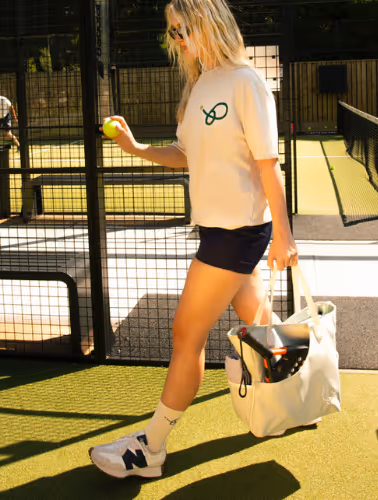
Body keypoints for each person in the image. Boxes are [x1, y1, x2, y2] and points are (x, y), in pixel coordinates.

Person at [89, 0, 299, 479]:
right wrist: (137, 148)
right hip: (219, 230)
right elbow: (185, 153)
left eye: (183, 28)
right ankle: (294, 398)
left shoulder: (246, 82)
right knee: (259, 320)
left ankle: (151, 448)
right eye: (172, 32)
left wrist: (284, 236)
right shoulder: (199, 85)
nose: (177, 39)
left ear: (209, 23)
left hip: (237, 233)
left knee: (186, 333)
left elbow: (269, 164)